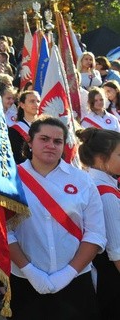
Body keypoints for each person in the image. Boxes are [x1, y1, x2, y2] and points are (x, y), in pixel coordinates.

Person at [8, 117, 106, 319]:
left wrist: (67, 274)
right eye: (44, 139)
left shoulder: (82, 180)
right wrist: (31, 272)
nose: (51, 145)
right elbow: (3, 230)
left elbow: (95, 234)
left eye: (57, 141)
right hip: (25, 282)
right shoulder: (10, 179)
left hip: (76, 283)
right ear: (29, 142)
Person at [77, 127, 120, 319]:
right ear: (102, 159)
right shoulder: (105, 193)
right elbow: (116, 251)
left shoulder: (93, 181)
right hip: (111, 277)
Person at [8, 90, 41, 164]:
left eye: (38, 101)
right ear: (22, 105)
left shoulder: (46, 127)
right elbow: (17, 157)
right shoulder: (14, 131)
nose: (36, 104)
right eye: (32, 101)